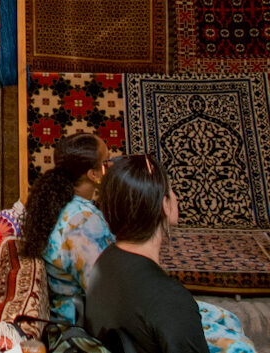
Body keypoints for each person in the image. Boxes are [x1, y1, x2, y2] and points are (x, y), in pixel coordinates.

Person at [86, 154, 255, 353]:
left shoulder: (105, 260)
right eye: (171, 190)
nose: (176, 197)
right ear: (164, 205)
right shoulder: (170, 301)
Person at [20, 132, 113, 323]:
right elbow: (107, 291)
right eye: (107, 161)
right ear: (93, 174)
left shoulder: (57, 204)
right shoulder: (82, 222)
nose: (112, 166)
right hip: (82, 326)